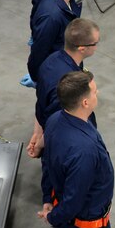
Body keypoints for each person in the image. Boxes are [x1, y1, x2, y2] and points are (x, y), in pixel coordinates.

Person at [38, 71, 115, 228]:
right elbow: (73, 202)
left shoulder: (55, 121)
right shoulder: (83, 150)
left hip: (69, 221)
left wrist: (48, 200)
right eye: (94, 91)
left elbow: (49, 164)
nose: (97, 94)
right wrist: (53, 217)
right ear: (84, 101)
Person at [27, 19, 100, 157]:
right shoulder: (68, 85)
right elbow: (58, 124)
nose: (96, 46)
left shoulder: (51, 61)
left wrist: (37, 133)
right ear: (82, 48)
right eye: (95, 43)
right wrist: (40, 144)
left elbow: (41, 102)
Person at [28, 0, 84, 82]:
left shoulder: (69, 0)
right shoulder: (51, 16)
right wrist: (40, 81)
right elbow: (39, 53)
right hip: (58, 76)